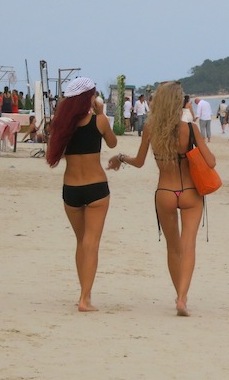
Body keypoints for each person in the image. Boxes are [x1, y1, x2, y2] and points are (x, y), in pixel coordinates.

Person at [108, 81, 216, 317]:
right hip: (189, 192)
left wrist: (120, 157)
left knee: (172, 247)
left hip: (164, 192)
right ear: (179, 102)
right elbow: (211, 162)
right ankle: (182, 298)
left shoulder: (150, 128)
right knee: (188, 245)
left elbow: (139, 161)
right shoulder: (190, 129)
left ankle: (179, 293)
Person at [46, 77, 117, 312]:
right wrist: (101, 111)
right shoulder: (99, 121)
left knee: (80, 241)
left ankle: (83, 293)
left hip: (71, 189)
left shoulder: (61, 125)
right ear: (90, 97)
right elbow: (113, 142)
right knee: (92, 243)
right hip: (96, 187)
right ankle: (85, 298)